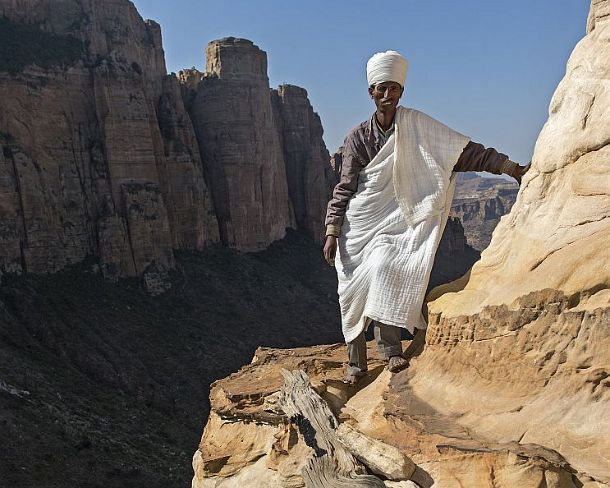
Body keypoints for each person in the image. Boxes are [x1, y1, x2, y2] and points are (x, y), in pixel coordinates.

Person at [323, 51, 529, 385]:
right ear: (370, 92)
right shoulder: (357, 139)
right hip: (359, 224)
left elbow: (463, 152)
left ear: (401, 91)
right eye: (381, 89)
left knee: (385, 267)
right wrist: (332, 230)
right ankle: (355, 362)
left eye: (393, 89)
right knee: (351, 292)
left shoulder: (417, 126)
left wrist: (511, 169)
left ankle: (391, 351)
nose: (387, 95)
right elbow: (344, 188)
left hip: (396, 224)